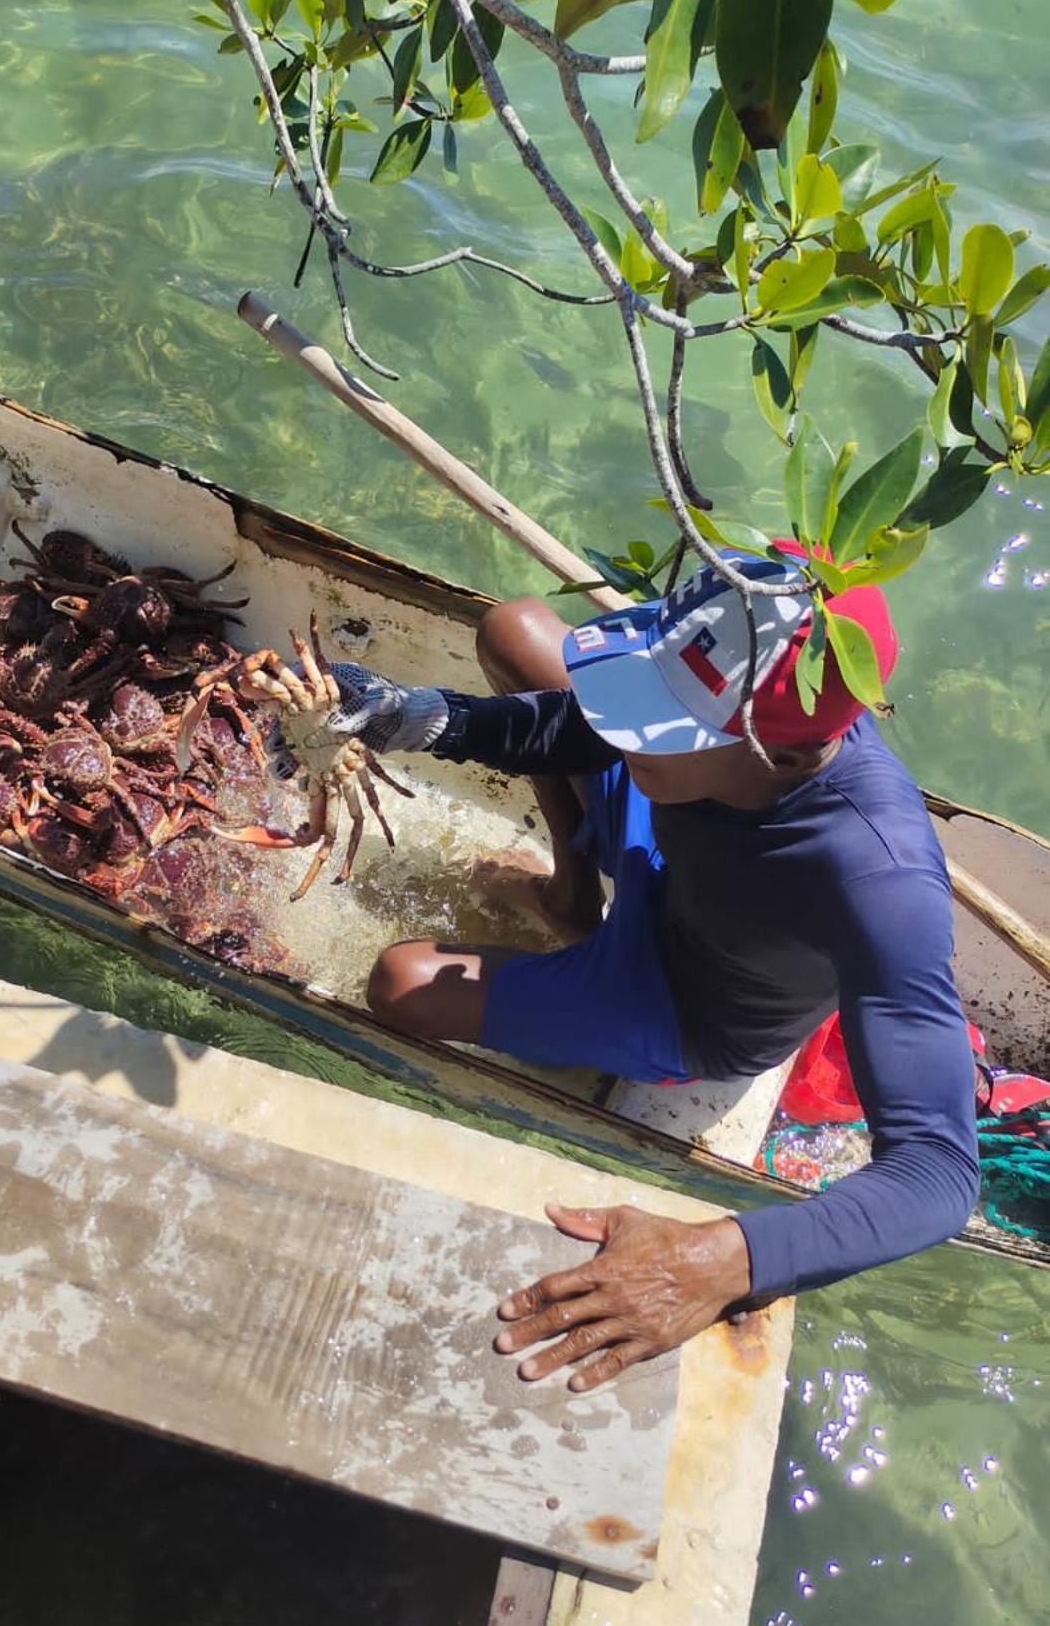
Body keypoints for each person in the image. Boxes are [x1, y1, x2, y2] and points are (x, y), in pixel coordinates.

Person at [325, 548, 980, 1392]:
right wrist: (423, 719)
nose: (622, 731)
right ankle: (571, 897)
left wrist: (720, 1260)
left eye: (654, 727)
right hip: (665, 868)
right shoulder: (740, 719)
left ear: (770, 754)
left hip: (687, 1001)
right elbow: (587, 726)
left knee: (402, 986)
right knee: (516, 633)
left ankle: (589, 964)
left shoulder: (881, 882)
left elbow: (935, 1175)